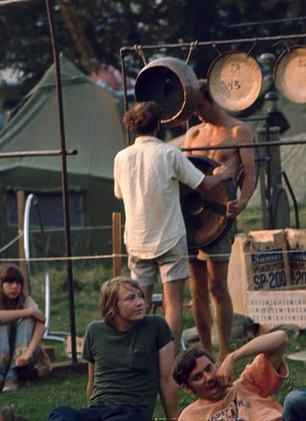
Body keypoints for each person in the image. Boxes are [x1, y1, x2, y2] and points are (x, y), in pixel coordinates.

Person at [113, 101, 232, 349]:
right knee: (173, 302)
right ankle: (171, 356)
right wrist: (222, 174)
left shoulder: (121, 157)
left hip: (137, 240)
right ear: (158, 125)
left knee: (140, 304)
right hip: (169, 238)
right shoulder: (169, 154)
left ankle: (142, 352)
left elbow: (119, 194)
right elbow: (204, 185)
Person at [182, 80, 256, 364]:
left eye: (200, 105)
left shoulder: (239, 130)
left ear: (214, 100)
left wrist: (245, 200)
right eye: (193, 108)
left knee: (217, 286)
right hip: (193, 218)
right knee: (195, 287)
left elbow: (249, 173)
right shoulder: (193, 134)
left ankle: (225, 350)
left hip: (221, 216)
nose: (197, 112)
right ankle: (204, 350)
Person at [45, 277, 179, 421]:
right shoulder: (95, 331)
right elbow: (93, 381)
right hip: (98, 411)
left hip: (131, 413)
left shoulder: (155, 326)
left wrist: (174, 419)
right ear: (111, 306)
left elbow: (166, 380)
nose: (140, 302)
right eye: (130, 298)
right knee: (61, 413)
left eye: (140, 296)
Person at [173, 330, 306, 421]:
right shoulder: (189, 416)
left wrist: (233, 356)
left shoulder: (247, 382)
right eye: (198, 377)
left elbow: (280, 338)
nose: (209, 378)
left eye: (209, 369)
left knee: (296, 400)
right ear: (187, 388)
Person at [0, 263, 47, 395]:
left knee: (27, 321)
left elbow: (41, 323)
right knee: (2, 323)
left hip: (24, 357)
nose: (15, 286)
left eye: (18, 282)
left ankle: (12, 375)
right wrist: (29, 312)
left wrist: (28, 353)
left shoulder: (25, 300)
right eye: (9, 282)